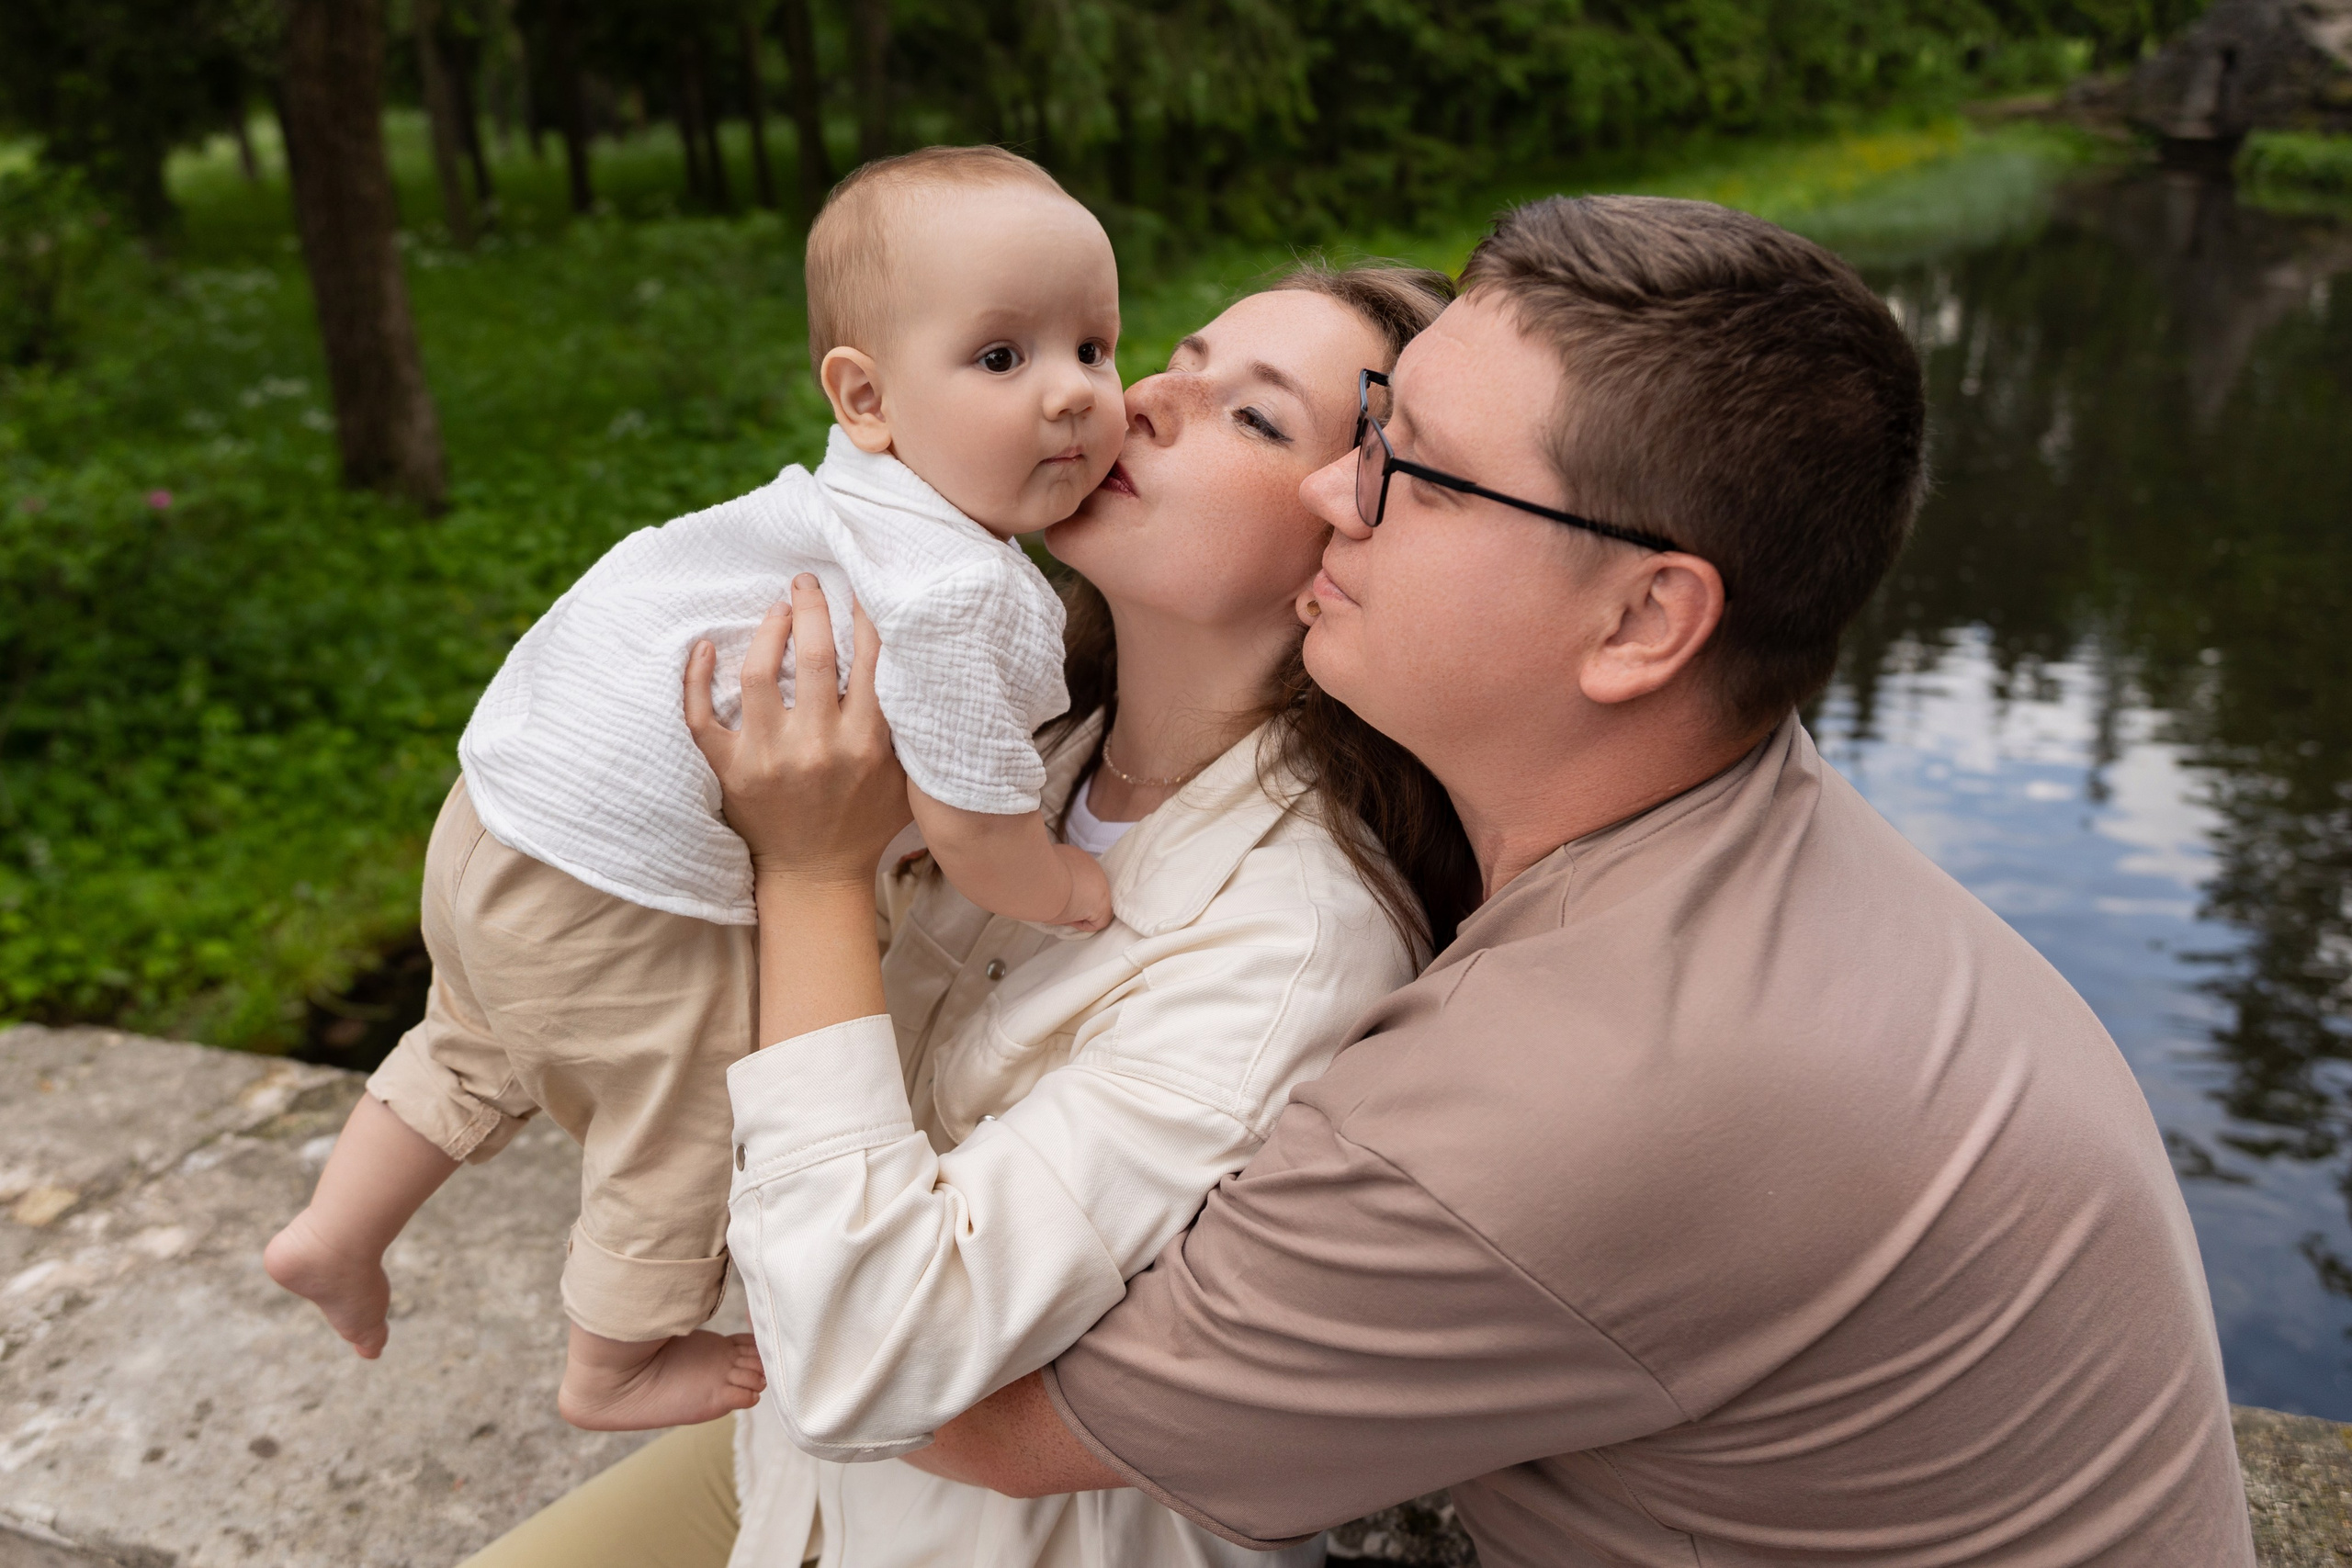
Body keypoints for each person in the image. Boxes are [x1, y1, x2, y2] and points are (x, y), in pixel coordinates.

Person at [726, 197, 2260, 1566]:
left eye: (1422, 473)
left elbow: (910, 1392)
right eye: (1369, 429)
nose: (1341, 495)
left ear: (1647, 623)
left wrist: (804, 880)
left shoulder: (1552, 1083)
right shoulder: (1734, 831)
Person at [458, 262, 1468, 1566]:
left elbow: (866, 1357)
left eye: (1254, 417)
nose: (1143, 401)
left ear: (1346, 533)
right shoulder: (1016, 744)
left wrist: (812, 872)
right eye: (1177, 360)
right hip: (788, 1484)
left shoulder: (1295, 940)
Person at [262, 144, 1133, 1435]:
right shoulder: (955, 585)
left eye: (1097, 349)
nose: (1070, 395)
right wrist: (1070, 887)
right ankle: (611, 1359)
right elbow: (971, 824)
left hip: (501, 822)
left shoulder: (828, 512)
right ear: (867, 398)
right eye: (1004, 359)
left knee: (477, 1032)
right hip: (626, 884)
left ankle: (335, 1231)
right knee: (694, 1107)